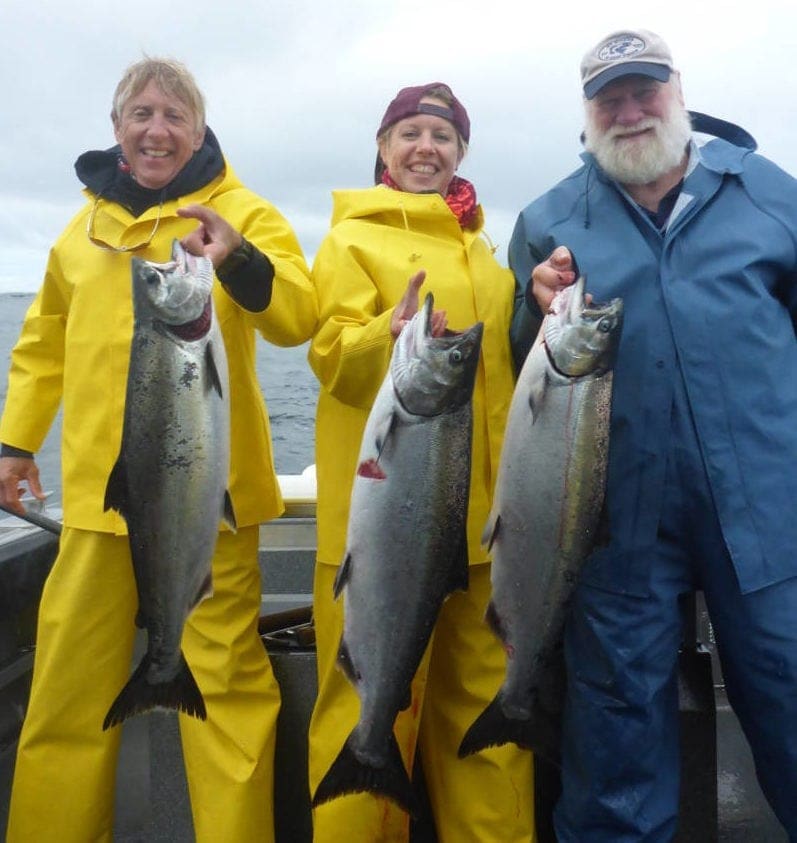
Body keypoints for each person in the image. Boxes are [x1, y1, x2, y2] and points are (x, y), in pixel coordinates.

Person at [0, 57, 317, 842]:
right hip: (97, 511)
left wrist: (238, 256)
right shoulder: (82, 231)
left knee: (228, 699)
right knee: (67, 695)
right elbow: (39, 344)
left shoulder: (244, 211)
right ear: (116, 130)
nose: (156, 129)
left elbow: (298, 318)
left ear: (199, 130)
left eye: (174, 116)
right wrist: (13, 444)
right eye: (140, 114)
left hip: (209, 504)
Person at [509, 28, 797, 842]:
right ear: (587, 112)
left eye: (644, 91)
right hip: (610, 518)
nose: (629, 111)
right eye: (610, 98)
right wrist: (531, 308)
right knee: (615, 740)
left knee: (789, 689)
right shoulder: (547, 220)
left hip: (771, 510)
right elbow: (513, 368)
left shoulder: (770, 192)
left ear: (677, 92)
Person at [306, 83, 535, 842]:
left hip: (484, 540)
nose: (424, 147)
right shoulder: (348, 240)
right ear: (381, 148)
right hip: (383, 538)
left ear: (460, 151)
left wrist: (537, 297)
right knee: (365, 706)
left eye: (440, 134)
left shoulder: (485, 254)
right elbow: (331, 358)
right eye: (407, 132)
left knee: (489, 732)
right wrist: (386, 329)